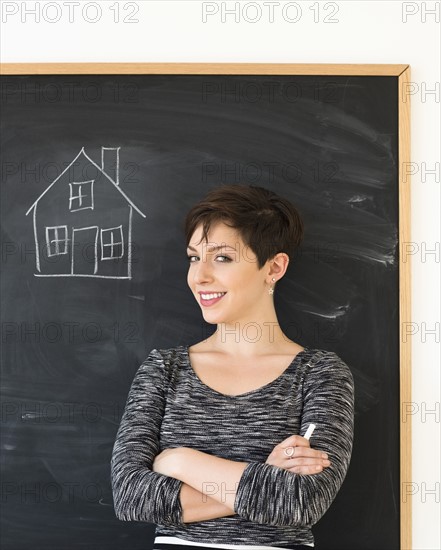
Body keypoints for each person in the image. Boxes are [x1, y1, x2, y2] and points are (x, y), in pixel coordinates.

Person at [111, 184, 355, 550]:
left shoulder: (319, 374)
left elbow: (302, 502)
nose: (200, 276)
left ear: (274, 266)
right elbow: (131, 496)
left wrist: (178, 460)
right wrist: (267, 479)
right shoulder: (164, 370)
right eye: (194, 257)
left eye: (222, 258)